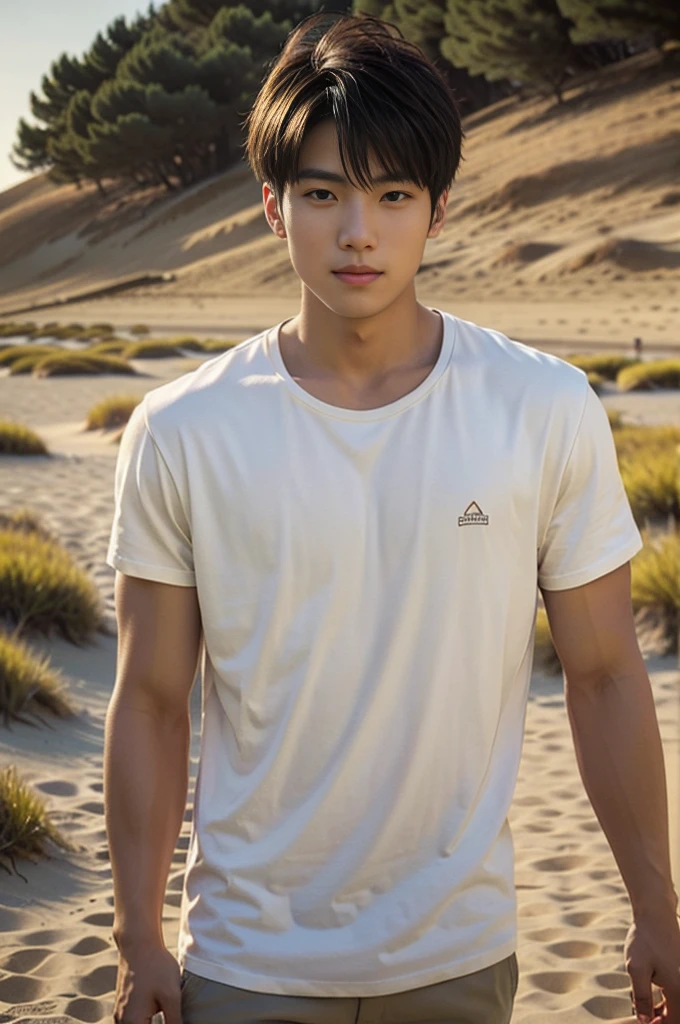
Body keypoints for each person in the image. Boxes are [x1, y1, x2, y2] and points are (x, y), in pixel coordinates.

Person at [105, 12, 678, 1024]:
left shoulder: (537, 405)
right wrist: (138, 937)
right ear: (273, 209)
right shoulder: (181, 428)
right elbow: (150, 698)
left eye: (391, 195)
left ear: (438, 210)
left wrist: (655, 904)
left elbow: (602, 670)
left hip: (458, 952)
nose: (357, 231)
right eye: (323, 194)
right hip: (247, 959)